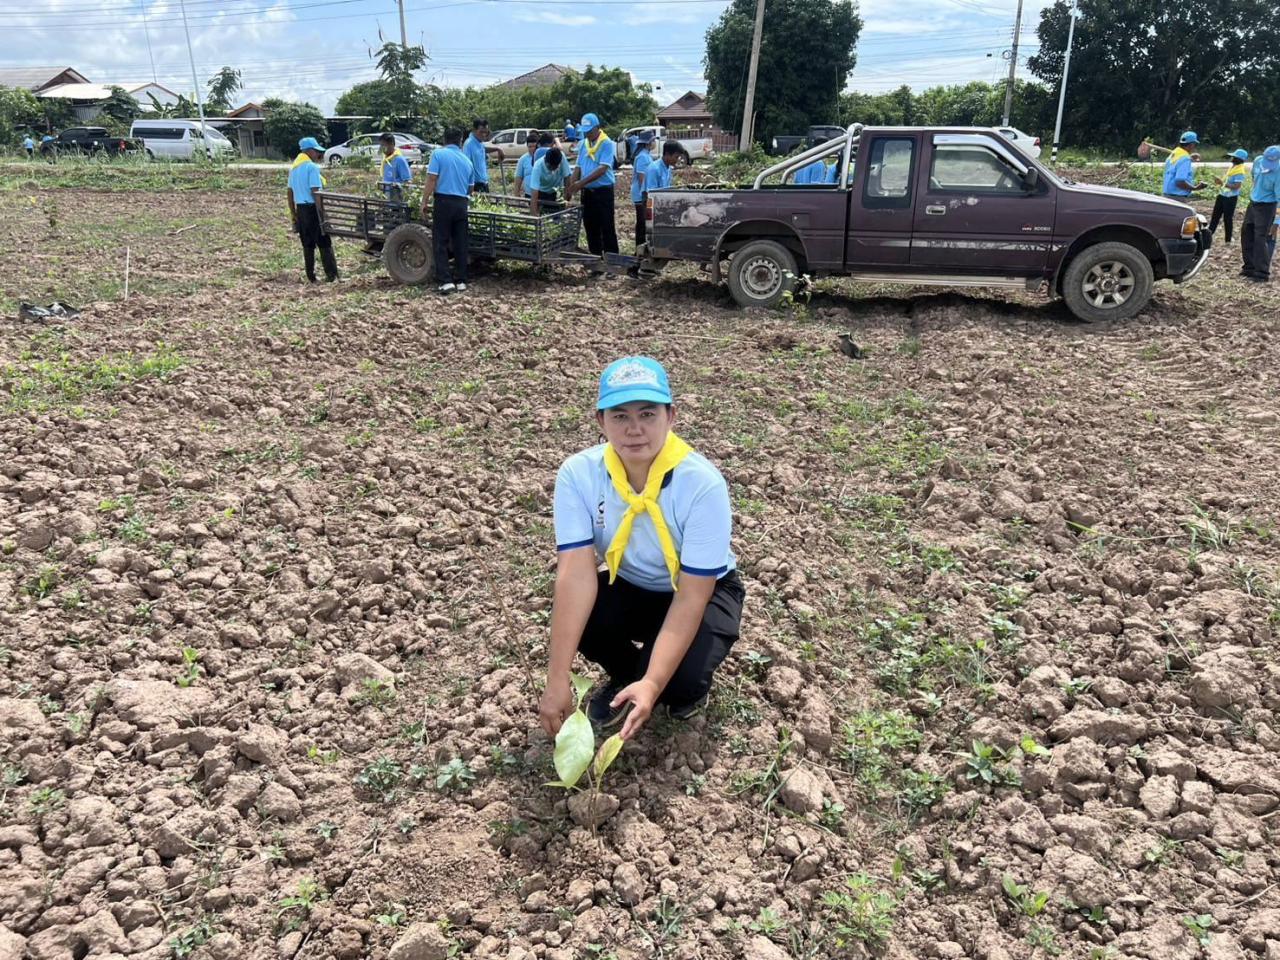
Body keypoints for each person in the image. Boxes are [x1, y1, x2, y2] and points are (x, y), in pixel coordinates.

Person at [540, 356, 744, 742]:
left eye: (648, 414)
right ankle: (628, 673)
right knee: (586, 616)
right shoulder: (579, 475)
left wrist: (654, 682)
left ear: (671, 416)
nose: (635, 430)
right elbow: (575, 575)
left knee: (678, 687)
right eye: (619, 416)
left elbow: (691, 596)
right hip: (634, 582)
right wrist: (557, 680)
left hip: (702, 591)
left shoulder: (701, 484)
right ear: (600, 421)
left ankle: (660, 679)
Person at [423, 127, 475, 295]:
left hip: (444, 201)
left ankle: (446, 281)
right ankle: (461, 280)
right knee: (460, 242)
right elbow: (471, 188)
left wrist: (424, 200)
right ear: (460, 141)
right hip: (461, 203)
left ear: (444, 139)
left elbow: (432, 178)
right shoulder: (467, 161)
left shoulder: (438, 154)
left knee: (440, 242)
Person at [565, 112, 619, 263]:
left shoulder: (606, 143)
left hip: (603, 191)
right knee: (590, 226)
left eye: (589, 131)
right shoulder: (584, 144)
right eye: (585, 131)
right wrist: (571, 187)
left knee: (606, 226)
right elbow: (578, 167)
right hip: (587, 192)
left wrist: (580, 184)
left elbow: (603, 169)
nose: (587, 134)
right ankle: (596, 260)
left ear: (597, 128)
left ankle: (612, 260)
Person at [287, 137, 338, 283]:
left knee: (307, 244)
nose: (318, 155)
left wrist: (293, 214)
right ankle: (332, 276)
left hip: (301, 210)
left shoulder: (294, 168)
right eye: (316, 152)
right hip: (312, 209)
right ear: (309, 151)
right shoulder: (311, 168)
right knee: (324, 243)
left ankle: (311, 276)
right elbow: (316, 192)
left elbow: (289, 193)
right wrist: (323, 215)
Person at [1242, 144, 1280, 282]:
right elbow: (1253, 178)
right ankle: (1249, 268)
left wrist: (1276, 222)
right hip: (1253, 203)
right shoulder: (1258, 161)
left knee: (1261, 238)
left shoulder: (1279, 172)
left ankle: (1261, 273)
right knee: (1246, 234)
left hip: (1267, 207)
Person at [1209, 149, 1249, 244]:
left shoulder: (1240, 171)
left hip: (1230, 198)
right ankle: (1208, 236)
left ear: (1238, 159)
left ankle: (1228, 240)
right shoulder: (1233, 167)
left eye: (1234, 157)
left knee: (1227, 218)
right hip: (1222, 195)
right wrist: (1221, 183)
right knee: (1215, 217)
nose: (1232, 158)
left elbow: (1236, 186)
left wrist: (1222, 183)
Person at [630, 130, 656, 249]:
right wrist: (647, 195)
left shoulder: (645, 155)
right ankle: (639, 248)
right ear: (648, 143)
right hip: (641, 195)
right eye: (653, 140)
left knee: (643, 223)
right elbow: (642, 179)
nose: (655, 142)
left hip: (642, 194)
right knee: (642, 223)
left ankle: (641, 248)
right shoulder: (642, 157)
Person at [1162, 131, 1206, 199]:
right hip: (1177, 197)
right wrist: (1195, 188)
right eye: (1194, 144)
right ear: (1191, 144)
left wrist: (1189, 157)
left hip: (1167, 195)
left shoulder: (1173, 154)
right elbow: (1180, 182)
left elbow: (1176, 166)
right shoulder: (1185, 159)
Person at [529, 147, 568, 216]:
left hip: (557, 191)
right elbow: (534, 193)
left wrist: (566, 198)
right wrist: (534, 215)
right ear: (545, 161)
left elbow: (567, 178)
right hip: (542, 193)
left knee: (558, 217)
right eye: (550, 167)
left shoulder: (562, 158)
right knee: (542, 215)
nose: (553, 170)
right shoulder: (537, 167)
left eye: (555, 167)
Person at [379, 133, 412, 203]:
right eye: (381, 146)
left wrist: (397, 185)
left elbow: (407, 181)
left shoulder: (399, 160)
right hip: (387, 199)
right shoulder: (385, 160)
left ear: (392, 144)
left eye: (384, 145)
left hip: (397, 200)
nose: (382, 148)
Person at [463, 118, 491, 194]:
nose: (484, 135)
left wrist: (498, 149)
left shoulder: (480, 143)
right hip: (475, 185)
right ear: (474, 130)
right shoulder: (469, 144)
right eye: (481, 132)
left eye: (486, 132)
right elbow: (465, 166)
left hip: (484, 183)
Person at [514, 131, 539, 198]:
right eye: (530, 147)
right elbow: (518, 177)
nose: (532, 149)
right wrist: (517, 193)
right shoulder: (523, 159)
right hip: (529, 194)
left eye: (534, 146)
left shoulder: (543, 157)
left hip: (542, 193)